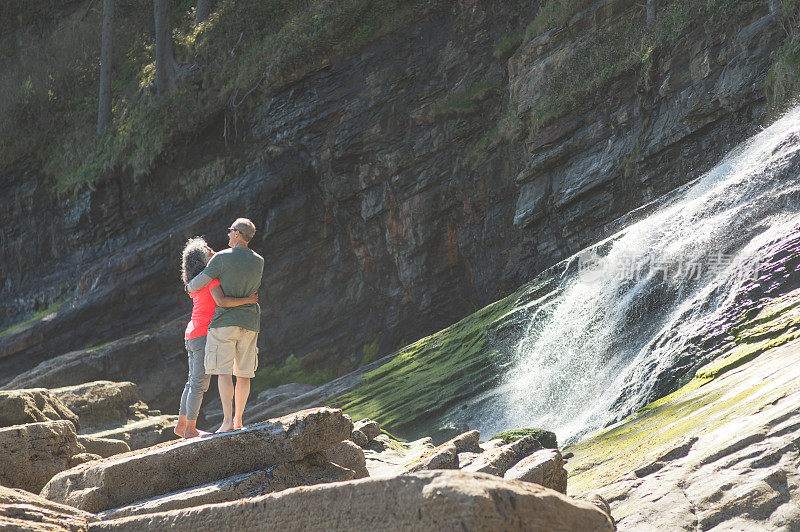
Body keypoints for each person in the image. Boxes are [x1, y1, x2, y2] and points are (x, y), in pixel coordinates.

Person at [175, 237, 257, 439]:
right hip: (203, 334)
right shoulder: (210, 279)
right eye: (208, 249)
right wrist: (247, 300)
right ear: (202, 259)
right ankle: (190, 430)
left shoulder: (196, 283)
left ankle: (181, 425)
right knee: (199, 384)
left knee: (191, 382)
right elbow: (222, 301)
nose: (212, 250)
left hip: (192, 333)